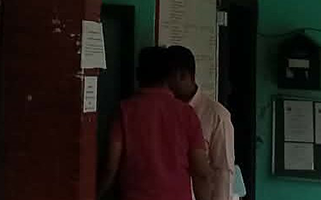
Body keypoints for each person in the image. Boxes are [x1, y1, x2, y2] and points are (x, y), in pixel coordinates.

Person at [99, 46, 212, 200]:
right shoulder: (187, 114)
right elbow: (201, 173)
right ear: (168, 77)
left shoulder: (124, 111)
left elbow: (110, 166)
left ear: (138, 74)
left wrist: (95, 194)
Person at [164, 46, 236, 200]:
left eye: (168, 79)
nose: (166, 86)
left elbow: (223, 171)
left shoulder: (217, 115)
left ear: (183, 76)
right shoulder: (163, 111)